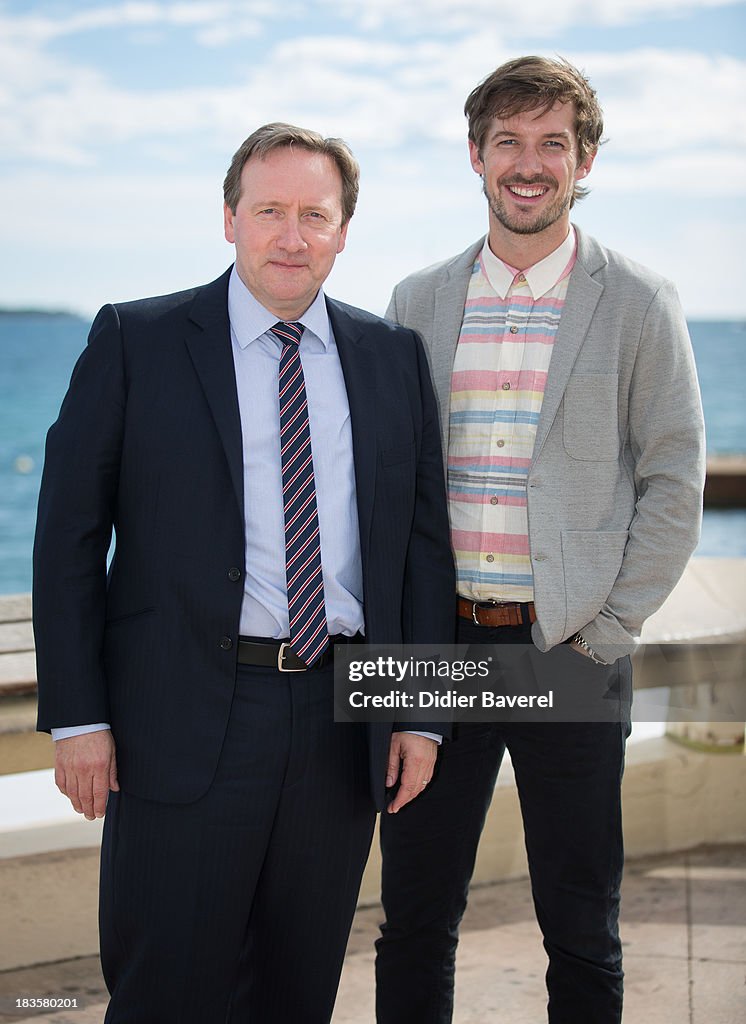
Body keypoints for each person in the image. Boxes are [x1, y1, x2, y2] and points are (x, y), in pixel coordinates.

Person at [33, 122, 455, 1024]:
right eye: (269, 211)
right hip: (181, 722)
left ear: (345, 231)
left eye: (315, 214)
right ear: (229, 218)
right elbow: (68, 539)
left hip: (342, 727)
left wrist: (422, 711)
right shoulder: (133, 341)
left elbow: (420, 548)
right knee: (165, 991)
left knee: (296, 992)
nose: (291, 236)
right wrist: (78, 716)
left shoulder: (392, 358)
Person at [375, 56, 705, 1023]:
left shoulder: (640, 300)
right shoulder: (417, 301)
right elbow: (388, 487)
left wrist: (607, 629)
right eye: (508, 142)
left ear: (584, 157)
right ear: (475, 155)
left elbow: (673, 478)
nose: (529, 164)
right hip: (436, 654)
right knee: (414, 916)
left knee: (580, 920)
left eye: (551, 144)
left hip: (569, 648)